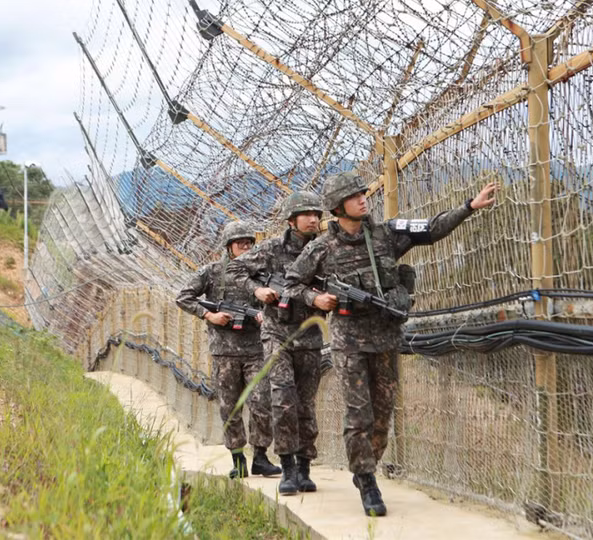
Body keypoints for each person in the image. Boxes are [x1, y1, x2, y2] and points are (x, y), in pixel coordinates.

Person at [284, 171, 499, 516]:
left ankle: (366, 464)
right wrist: (315, 299)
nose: (363, 199)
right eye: (354, 196)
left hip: (385, 338)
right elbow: (291, 284)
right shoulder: (321, 249)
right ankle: (367, 480)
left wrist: (469, 207)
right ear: (338, 208)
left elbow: (430, 229)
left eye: (362, 194)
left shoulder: (386, 234)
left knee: (382, 414)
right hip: (348, 341)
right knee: (358, 413)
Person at [227, 192, 327, 496]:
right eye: (306, 213)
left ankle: (305, 466)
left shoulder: (324, 248)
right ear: (291, 220)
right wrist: (257, 290)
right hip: (277, 334)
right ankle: (287, 467)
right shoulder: (271, 249)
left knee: (306, 405)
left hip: (309, 334)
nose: (313, 218)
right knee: (283, 400)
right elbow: (234, 270)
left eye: (316, 213)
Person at [175, 221, 282, 479]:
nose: (245, 247)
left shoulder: (261, 275)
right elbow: (183, 297)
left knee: (262, 403)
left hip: (256, 349)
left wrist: (265, 315)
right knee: (229, 406)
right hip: (224, 352)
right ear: (229, 247)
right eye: (240, 243)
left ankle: (260, 456)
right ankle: (238, 459)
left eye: (249, 243)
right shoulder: (212, 273)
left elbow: (277, 301)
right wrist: (209, 315)